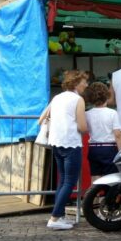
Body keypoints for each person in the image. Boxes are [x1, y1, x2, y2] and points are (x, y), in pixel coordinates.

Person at [39, 70, 89, 230]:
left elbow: (41, 119)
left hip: (56, 142)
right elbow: (82, 126)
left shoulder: (57, 98)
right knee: (69, 181)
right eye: (84, 82)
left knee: (63, 181)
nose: (86, 85)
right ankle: (54, 218)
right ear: (76, 83)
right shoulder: (78, 100)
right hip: (71, 143)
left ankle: (58, 215)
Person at [84, 82, 121, 179]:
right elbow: (118, 135)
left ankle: (94, 194)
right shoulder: (112, 113)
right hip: (109, 148)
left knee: (95, 177)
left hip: (93, 148)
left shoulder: (87, 114)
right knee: (111, 178)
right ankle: (109, 194)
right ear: (106, 96)